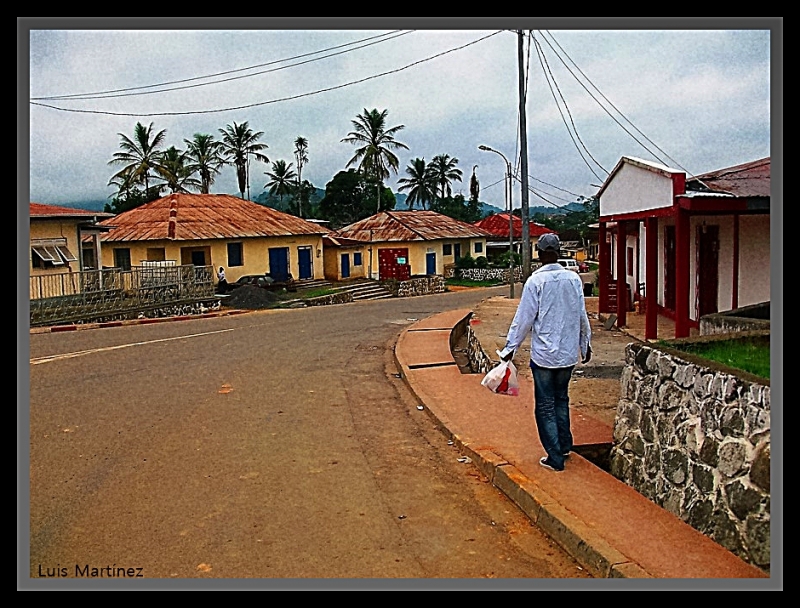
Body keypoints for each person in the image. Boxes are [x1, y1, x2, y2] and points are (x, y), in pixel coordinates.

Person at [498, 233, 592, 472]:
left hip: (544, 357)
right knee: (562, 399)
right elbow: (582, 314)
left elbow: (523, 320)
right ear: (558, 253)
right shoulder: (573, 279)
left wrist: (510, 349)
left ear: (539, 254)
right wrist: (585, 343)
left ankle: (554, 458)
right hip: (568, 355)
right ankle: (564, 446)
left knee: (545, 405)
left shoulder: (535, 282)